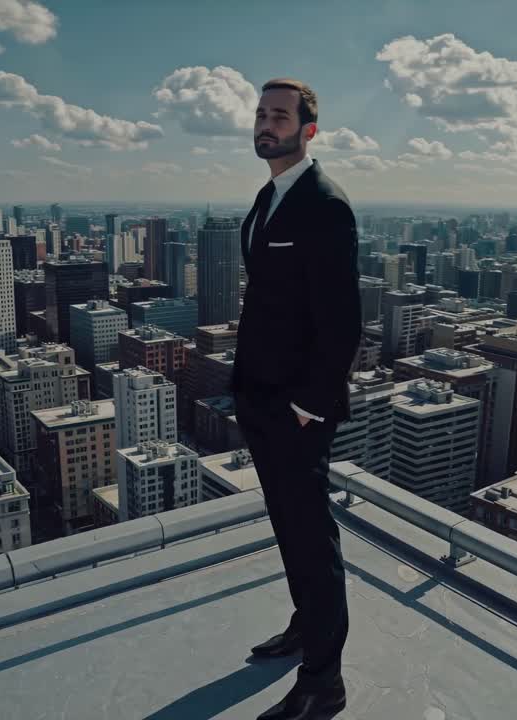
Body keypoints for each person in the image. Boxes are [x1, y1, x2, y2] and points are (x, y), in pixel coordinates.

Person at [227, 77, 362, 720]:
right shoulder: (269, 196)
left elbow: (342, 323)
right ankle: (307, 626)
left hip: (297, 409)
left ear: (308, 129)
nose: (266, 123)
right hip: (261, 398)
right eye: (260, 113)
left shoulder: (324, 203)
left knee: (311, 538)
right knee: (288, 528)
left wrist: (308, 405)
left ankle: (324, 682)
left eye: (279, 115)